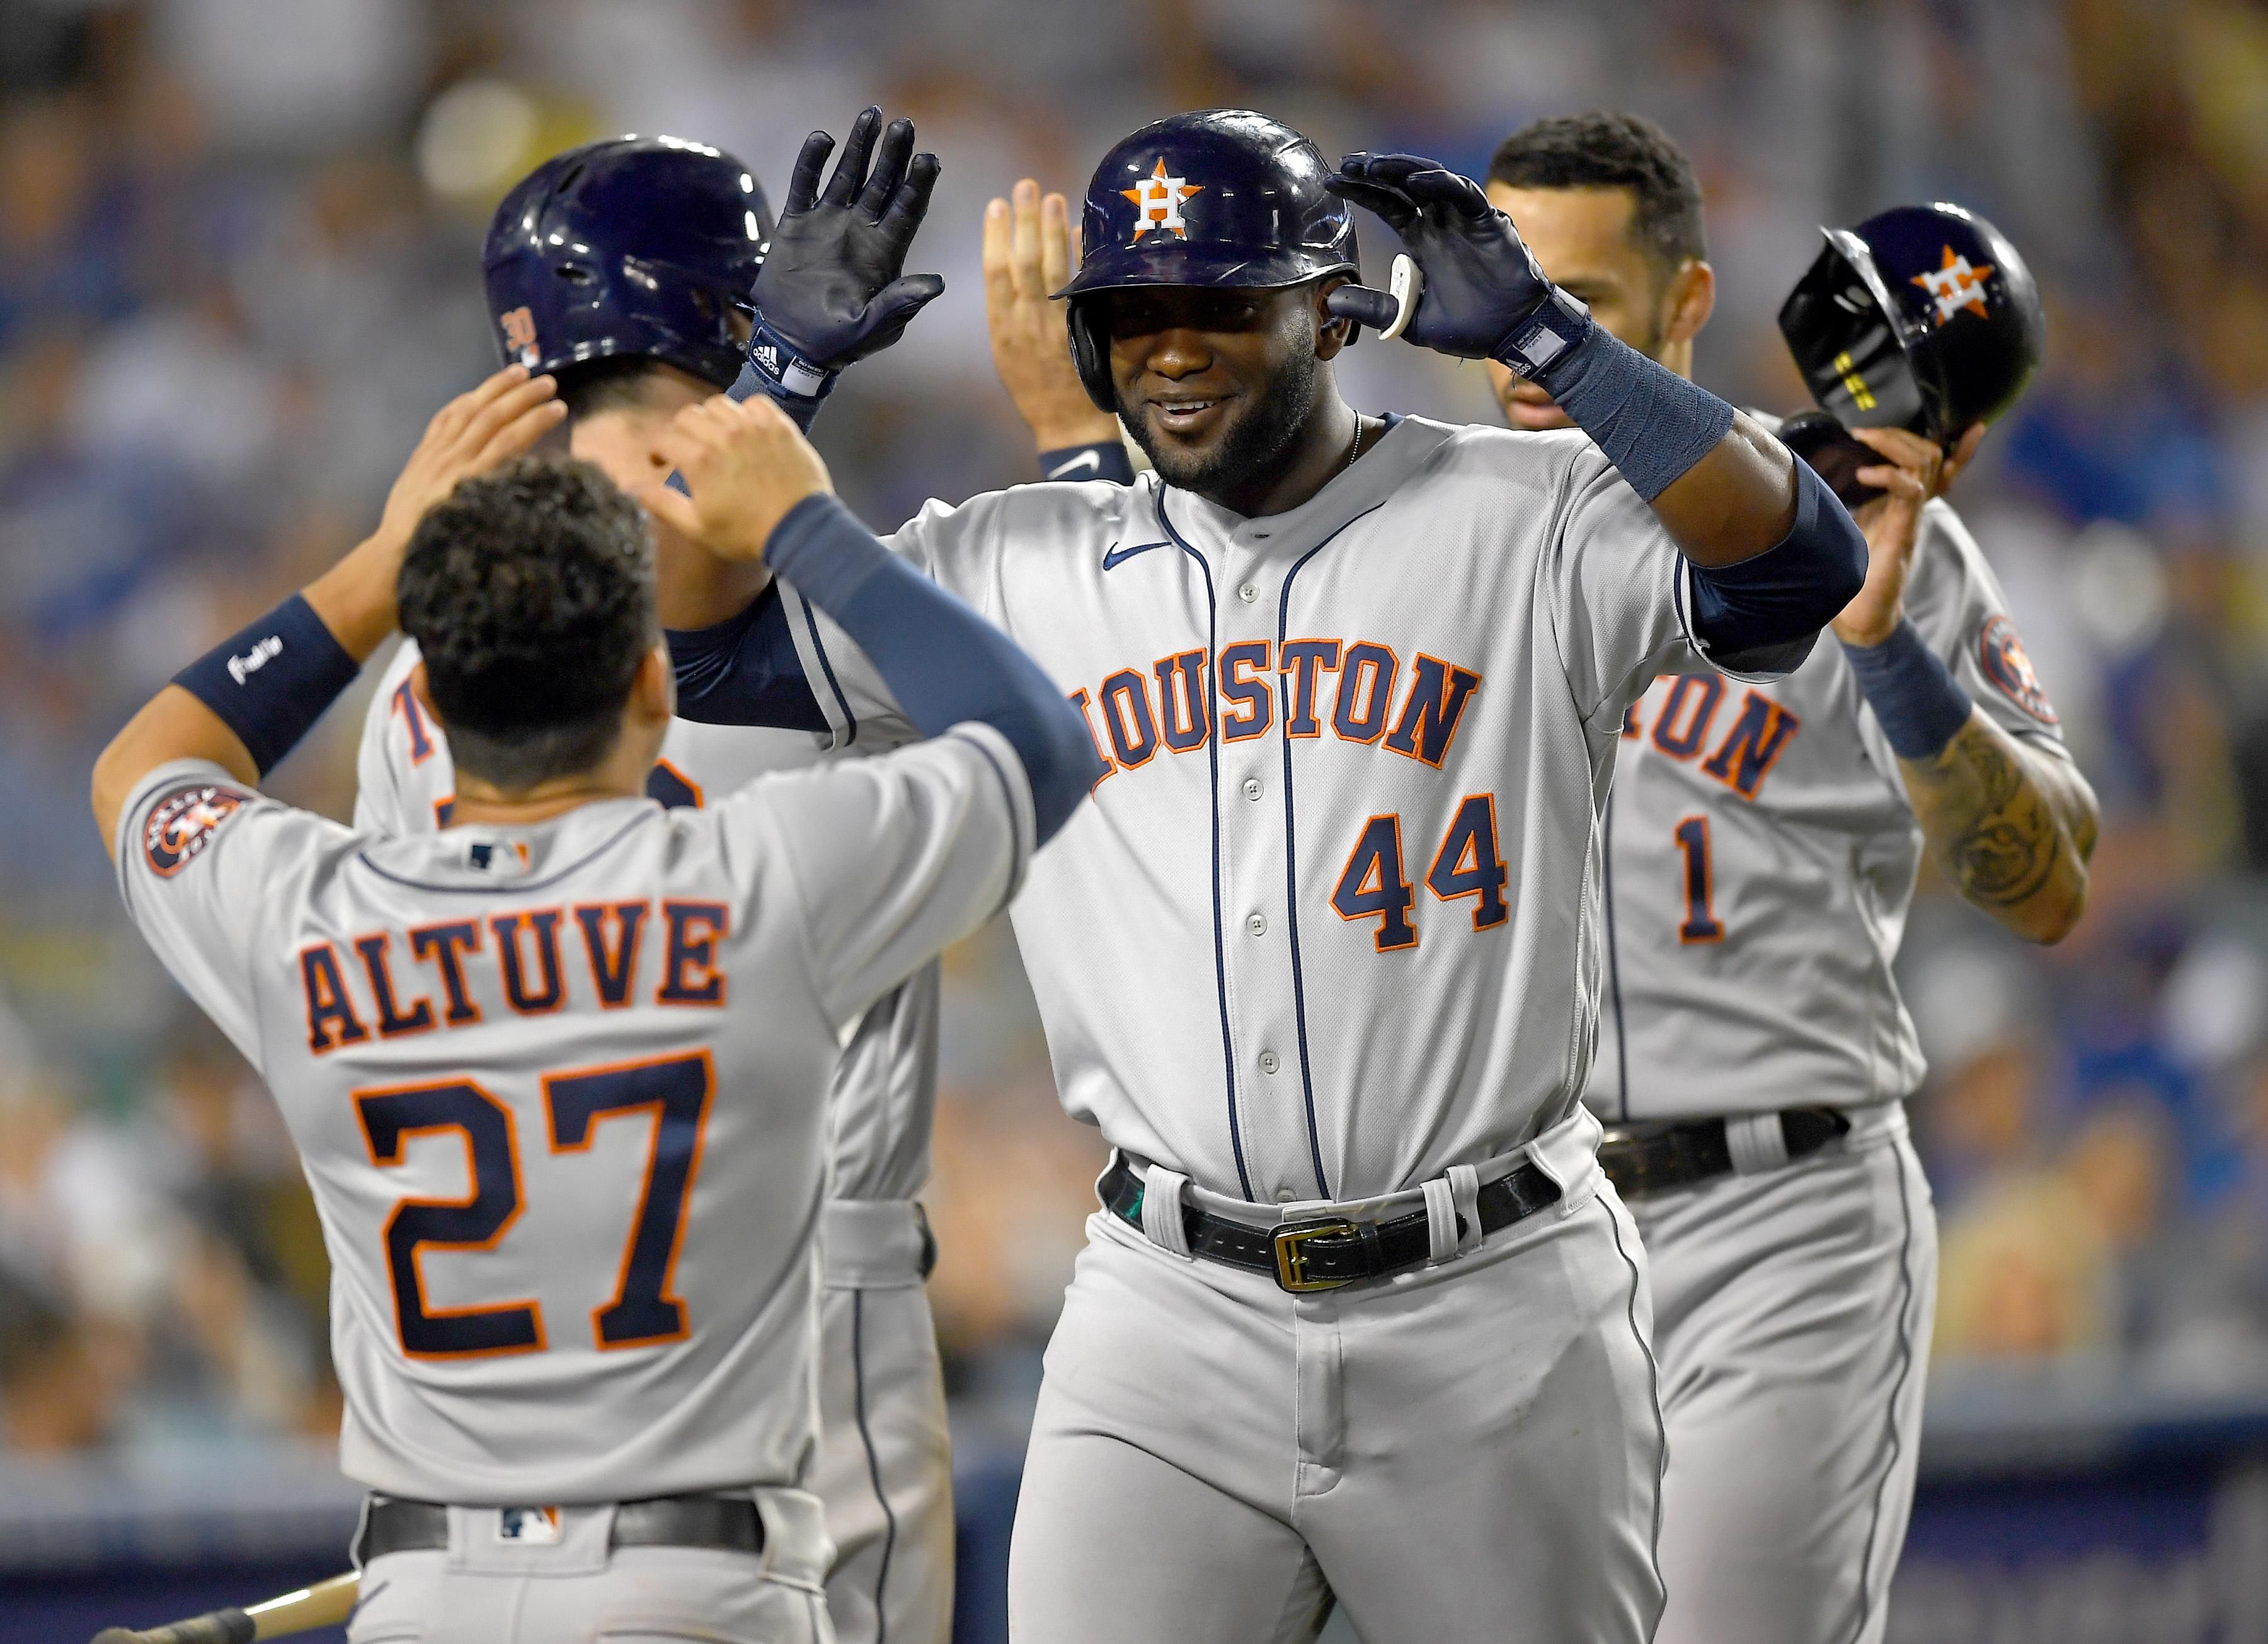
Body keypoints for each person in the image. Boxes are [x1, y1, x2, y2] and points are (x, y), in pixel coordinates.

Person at [650, 107, 1872, 1642]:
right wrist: (779, 374)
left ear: (1331, 307)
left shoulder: (1527, 513)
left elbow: (1800, 566)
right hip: (1166, 1318)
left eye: (1224, 302)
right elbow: (703, 646)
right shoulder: (1014, 562)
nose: (1173, 346)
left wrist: (1555, 338)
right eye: (1133, 313)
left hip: (1491, 1304)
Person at [93, 357, 1098, 1642]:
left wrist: (377, 570)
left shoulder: (303, 910)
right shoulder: (759, 882)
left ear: (429, 709)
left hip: (424, 1594)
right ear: (648, 688)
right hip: (695, 1589)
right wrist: (805, 526)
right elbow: (1042, 741)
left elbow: (144, 767)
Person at [1480, 111, 2099, 1644]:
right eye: (1499, 295)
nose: (1524, 347)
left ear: (1686, 309)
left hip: (1780, 1222)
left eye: (1576, 311)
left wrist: (1887, 653)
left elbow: (2049, 888)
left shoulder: (1842, 526)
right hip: (1507, 1248)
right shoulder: (1405, 543)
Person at [355, 125, 959, 1644]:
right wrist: (794, 384)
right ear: (733, 313)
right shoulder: (857, 618)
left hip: (506, 1339)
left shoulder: (420, 686)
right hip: (801, 1312)